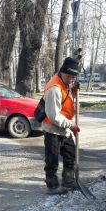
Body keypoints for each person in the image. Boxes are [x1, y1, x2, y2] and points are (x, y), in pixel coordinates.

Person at [42, 57, 81, 195]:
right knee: (52, 160)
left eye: (73, 77)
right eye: (69, 76)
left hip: (64, 129)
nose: (71, 79)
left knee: (70, 155)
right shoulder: (54, 89)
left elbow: (67, 102)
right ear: (62, 72)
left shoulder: (66, 84)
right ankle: (52, 186)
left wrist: (74, 92)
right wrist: (71, 125)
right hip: (52, 129)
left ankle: (68, 181)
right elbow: (54, 116)